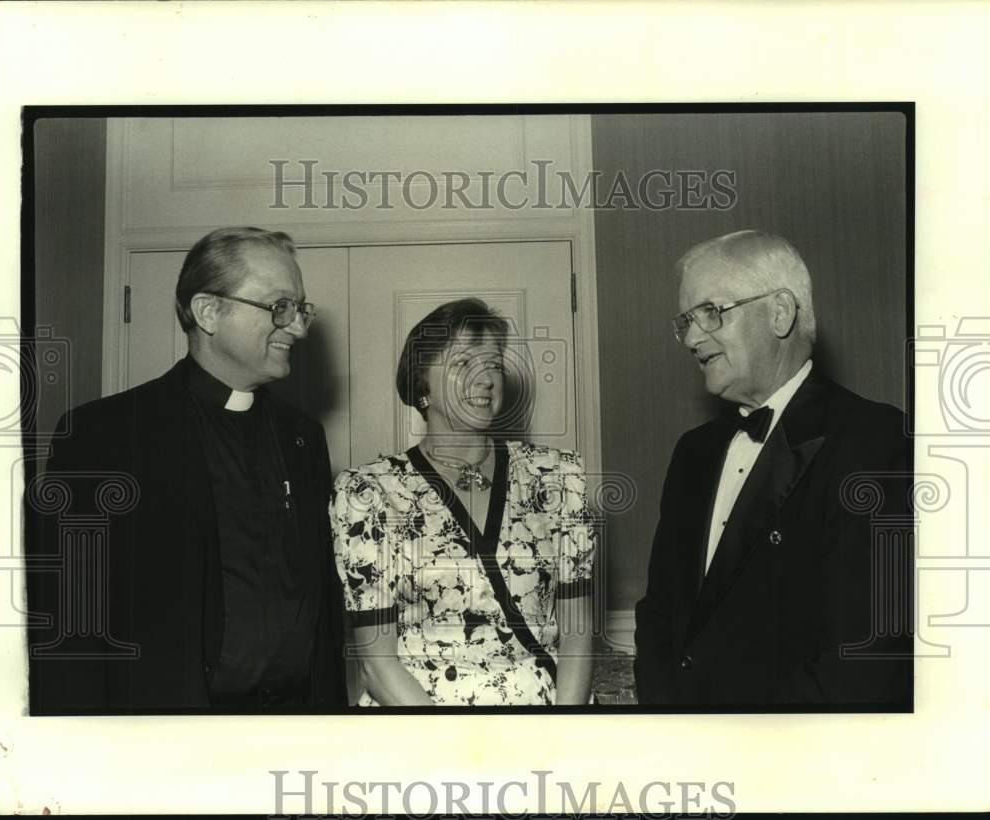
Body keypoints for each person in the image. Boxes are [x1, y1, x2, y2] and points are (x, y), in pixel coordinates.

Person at [25, 227, 347, 713]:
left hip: (294, 728)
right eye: (279, 307)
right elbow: (69, 620)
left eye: (300, 309)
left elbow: (320, 607)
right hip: (165, 734)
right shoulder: (106, 435)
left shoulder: (302, 436)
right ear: (208, 312)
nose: (298, 327)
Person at [634, 230, 912, 708]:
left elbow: (866, 653)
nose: (693, 337)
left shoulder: (875, 441)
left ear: (780, 312)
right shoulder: (692, 454)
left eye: (711, 312)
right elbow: (659, 615)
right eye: (686, 321)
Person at [330, 298, 595, 706]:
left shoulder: (556, 477)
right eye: (462, 364)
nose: (485, 378)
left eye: (493, 364)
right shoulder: (369, 492)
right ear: (422, 386)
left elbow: (577, 635)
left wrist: (563, 732)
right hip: (418, 726)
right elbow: (377, 664)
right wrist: (453, 748)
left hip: (544, 721)